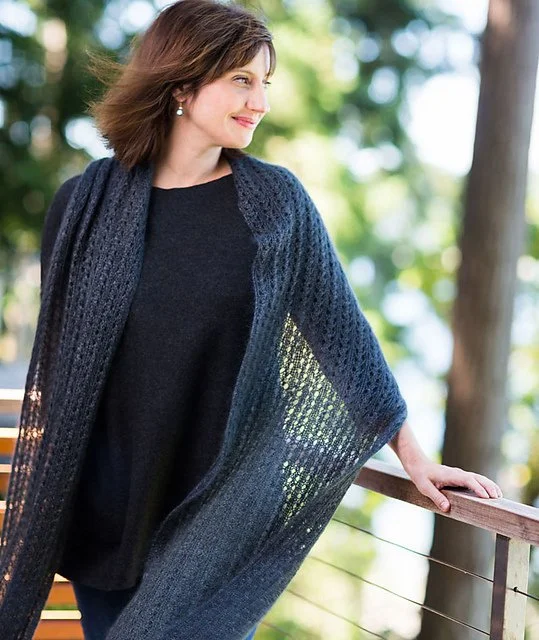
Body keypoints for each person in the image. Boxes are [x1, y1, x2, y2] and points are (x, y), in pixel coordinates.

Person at [0, 1, 502, 639]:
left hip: (221, 515)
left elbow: (343, 340)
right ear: (181, 84)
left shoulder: (274, 205)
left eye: (265, 82)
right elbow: (62, 367)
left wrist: (414, 457)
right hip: (106, 514)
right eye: (242, 79)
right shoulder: (85, 203)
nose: (259, 102)